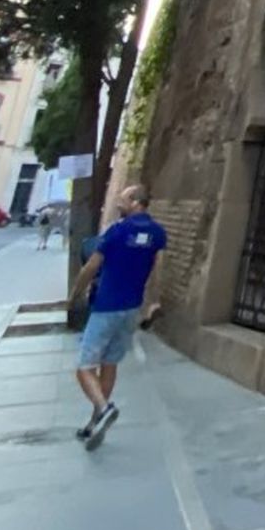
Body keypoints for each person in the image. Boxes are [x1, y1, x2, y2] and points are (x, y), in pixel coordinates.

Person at [67, 183, 167, 448]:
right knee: (109, 364)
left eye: (122, 199)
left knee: (84, 368)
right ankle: (94, 422)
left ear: (135, 201)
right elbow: (158, 270)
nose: (118, 203)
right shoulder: (157, 233)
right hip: (131, 309)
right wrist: (152, 303)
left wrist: (76, 292)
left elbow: (92, 265)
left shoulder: (117, 231)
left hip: (106, 307)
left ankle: (104, 407)